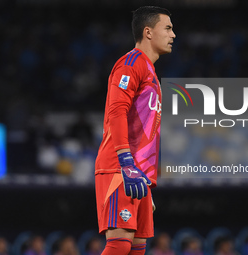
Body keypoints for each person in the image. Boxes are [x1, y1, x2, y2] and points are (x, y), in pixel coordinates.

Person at [95, 5, 175, 255]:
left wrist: (145, 179)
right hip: (120, 167)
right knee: (119, 245)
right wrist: (126, 162)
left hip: (139, 175)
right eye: (168, 28)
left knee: (137, 250)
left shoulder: (151, 72)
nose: (173, 35)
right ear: (148, 32)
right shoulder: (131, 63)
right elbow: (116, 111)